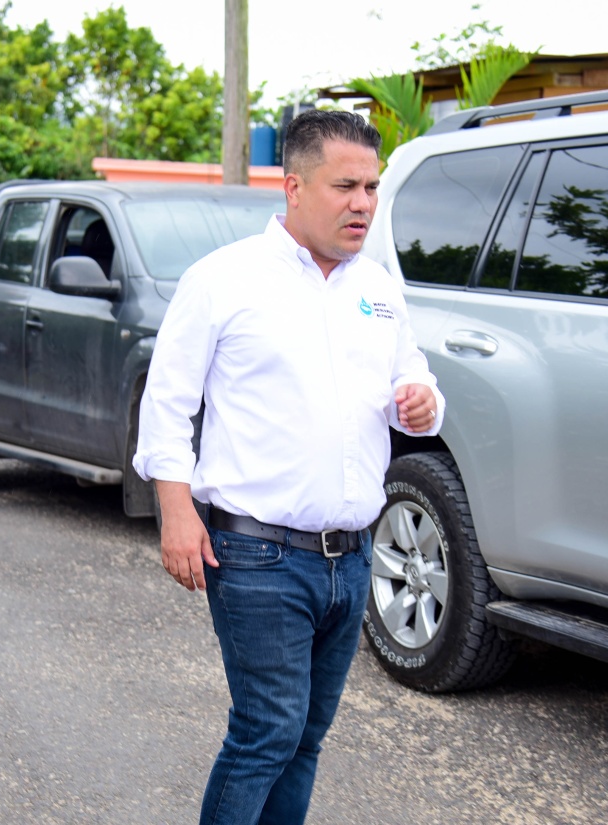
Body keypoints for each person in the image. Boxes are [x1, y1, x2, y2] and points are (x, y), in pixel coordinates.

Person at [132, 109, 445, 824]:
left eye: (371, 187)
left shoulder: (378, 288)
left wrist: (422, 401)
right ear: (295, 187)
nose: (363, 203)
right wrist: (176, 513)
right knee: (267, 731)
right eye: (345, 186)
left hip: (352, 557)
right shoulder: (224, 279)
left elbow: (413, 378)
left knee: (305, 738)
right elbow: (167, 404)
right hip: (258, 554)